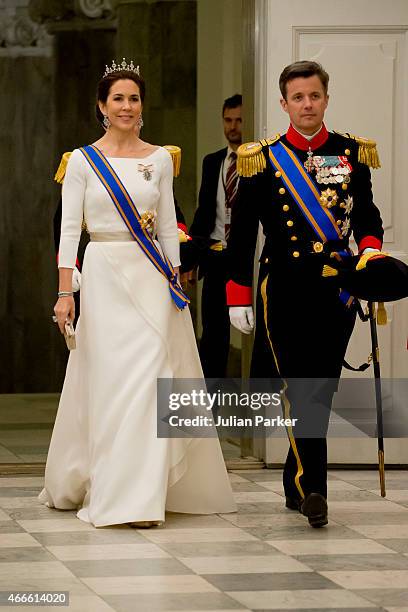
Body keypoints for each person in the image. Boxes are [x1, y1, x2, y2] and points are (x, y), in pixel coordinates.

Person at [39, 59, 236, 528]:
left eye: (134, 98)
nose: (127, 106)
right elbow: (70, 233)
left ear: (142, 106)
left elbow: (168, 226)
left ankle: (140, 497)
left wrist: (176, 284)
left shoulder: (161, 158)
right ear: (101, 107)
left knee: (151, 383)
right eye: (118, 99)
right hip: (105, 274)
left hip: (151, 280)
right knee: (112, 387)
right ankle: (109, 484)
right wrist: (66, 293)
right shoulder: (83, 161)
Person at [227, 61, 384, 527]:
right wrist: (238, 293)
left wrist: (370, 256)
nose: (307, 104)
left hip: (337, 289)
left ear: (326, 98)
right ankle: (315, 487)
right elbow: (241, 234)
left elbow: (369, 219)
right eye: (298, 97)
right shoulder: (263, 158)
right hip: (286, 290)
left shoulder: (352, 153)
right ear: (284, 104)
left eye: (314, 95)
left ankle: (297, 481)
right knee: (301, 387)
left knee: (322, 389)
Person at [188, 94, 243, 378]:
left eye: (239, 120)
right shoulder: (213, 162)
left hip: (247, 259)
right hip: (215, 257)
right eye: (228, 120)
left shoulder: (258, 163)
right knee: (213, 337)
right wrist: (190, 256)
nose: (233, 127)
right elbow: (204, 212)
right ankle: (212, 407)